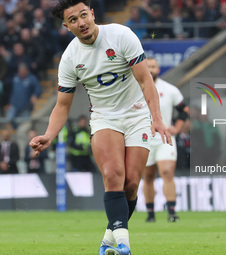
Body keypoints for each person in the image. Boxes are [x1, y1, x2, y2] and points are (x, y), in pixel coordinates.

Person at [29, 1, 171, 255]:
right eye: (73, 20)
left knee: (130, 184)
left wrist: (157, 118)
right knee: (113, 175)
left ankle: (109, 237)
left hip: (137, 114)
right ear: (66, 26)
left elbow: (144, 79)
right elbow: (62, 105)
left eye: (84, 15)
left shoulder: (121, 35)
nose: (81, 23)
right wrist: (49, 135)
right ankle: (123, 245)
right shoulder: (70, 58)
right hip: (105, 117)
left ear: (92, 14)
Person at [143, 58, 189, 223]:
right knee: (148, 177)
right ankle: (150, 213)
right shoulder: (134, 89)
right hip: (143, 139)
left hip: (164, 138)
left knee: (167, 173)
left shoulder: (170, 90)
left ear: (158, 69)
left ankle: (171, 211)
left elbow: (184, 111)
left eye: (153, 67)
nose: (150, 70)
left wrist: (176, 128)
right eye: (147, 67)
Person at [6, 62, 42, 129]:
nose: (20, 73)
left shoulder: (32, 79)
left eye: (22, 71)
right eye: (19, 71)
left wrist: (35, 95)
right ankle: (17, 130)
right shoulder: (15, 78)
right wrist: (10, 101)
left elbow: (38, 88)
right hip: (14, 104)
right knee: (9, 119)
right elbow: (11, 91)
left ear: (26, 70)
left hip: (26, 106)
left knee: (24, 123)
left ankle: (20, 132)